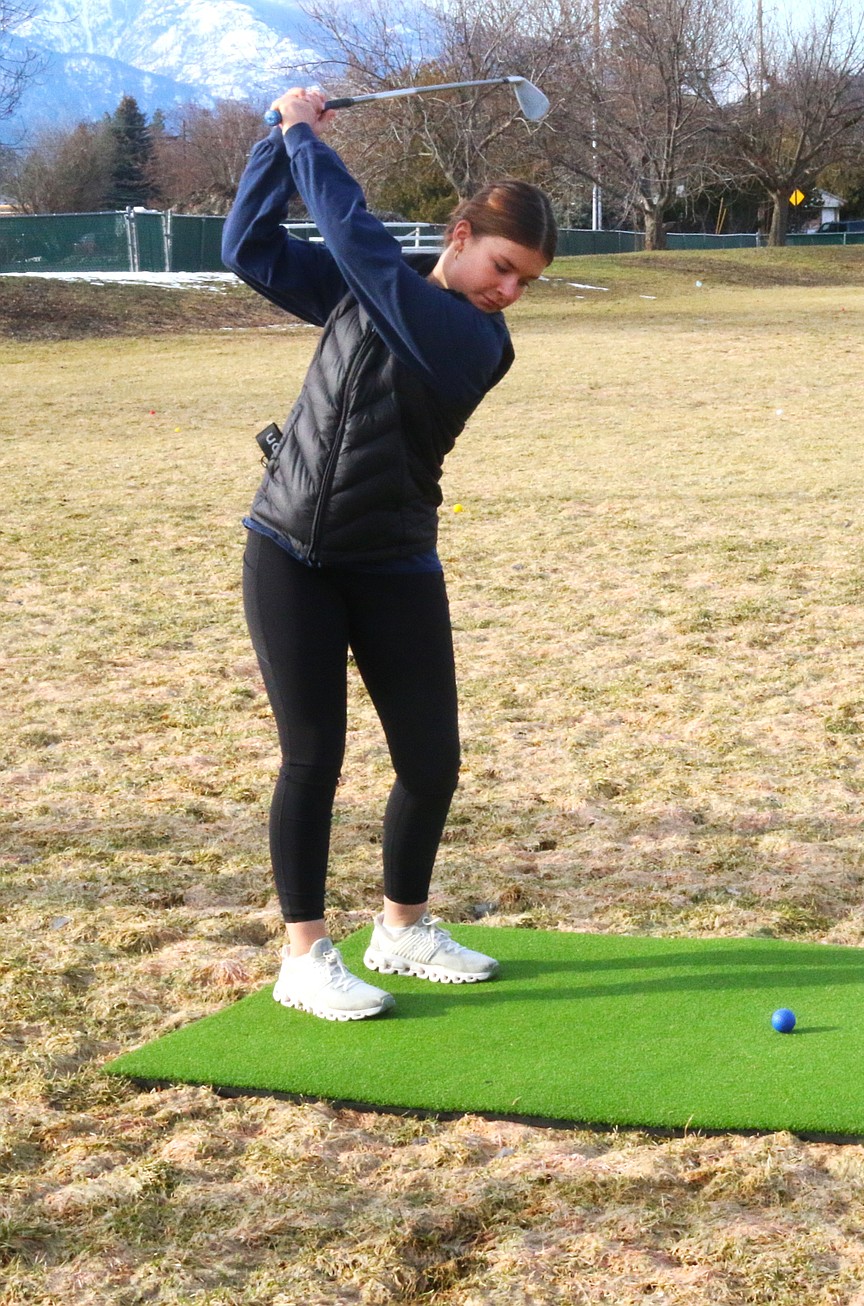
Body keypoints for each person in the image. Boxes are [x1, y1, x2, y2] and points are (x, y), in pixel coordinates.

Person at [221, 86, 556, 1022]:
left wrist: (303, 137)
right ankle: (305, 956)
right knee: (313, 756)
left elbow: (361, 247)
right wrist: (272, 146)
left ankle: (402, 928)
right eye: (503, 266)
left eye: (527, 280)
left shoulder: (473, 340)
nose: (510, 291)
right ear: (459, 236)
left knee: (432, 760)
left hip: (395, 558)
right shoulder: (383, 287)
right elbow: (247, 250)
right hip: (290, 550)